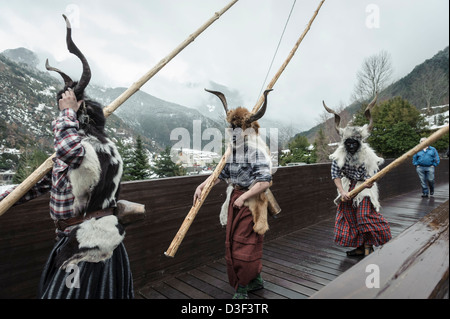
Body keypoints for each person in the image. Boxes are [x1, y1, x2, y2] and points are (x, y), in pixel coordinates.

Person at [194, 89, 273, 299]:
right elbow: (221, 174)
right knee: (233, 242)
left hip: (252, 203)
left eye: (240, 128)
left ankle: (242, 288)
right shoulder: (233, 152)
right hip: (236, 201)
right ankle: (255, 280)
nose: (235, 132)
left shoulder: (256, 151)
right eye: (233, 128)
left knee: (244, 246)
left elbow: (265, 180)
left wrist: (244, 197)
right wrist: (202, 185)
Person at [324, 95, 391, 257]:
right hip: (347, 186)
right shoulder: (340, 153)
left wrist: (369, 182)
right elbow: (335, 173)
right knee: (349, 215)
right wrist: (342, 191)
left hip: (365, 187)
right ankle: (362, 247)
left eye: (355, 143)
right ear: (345, 142)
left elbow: (373, 173)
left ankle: (370, 246)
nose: (352, 146)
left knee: (364, 215)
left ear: (360, 142)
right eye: (349, 143)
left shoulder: (367, 154)